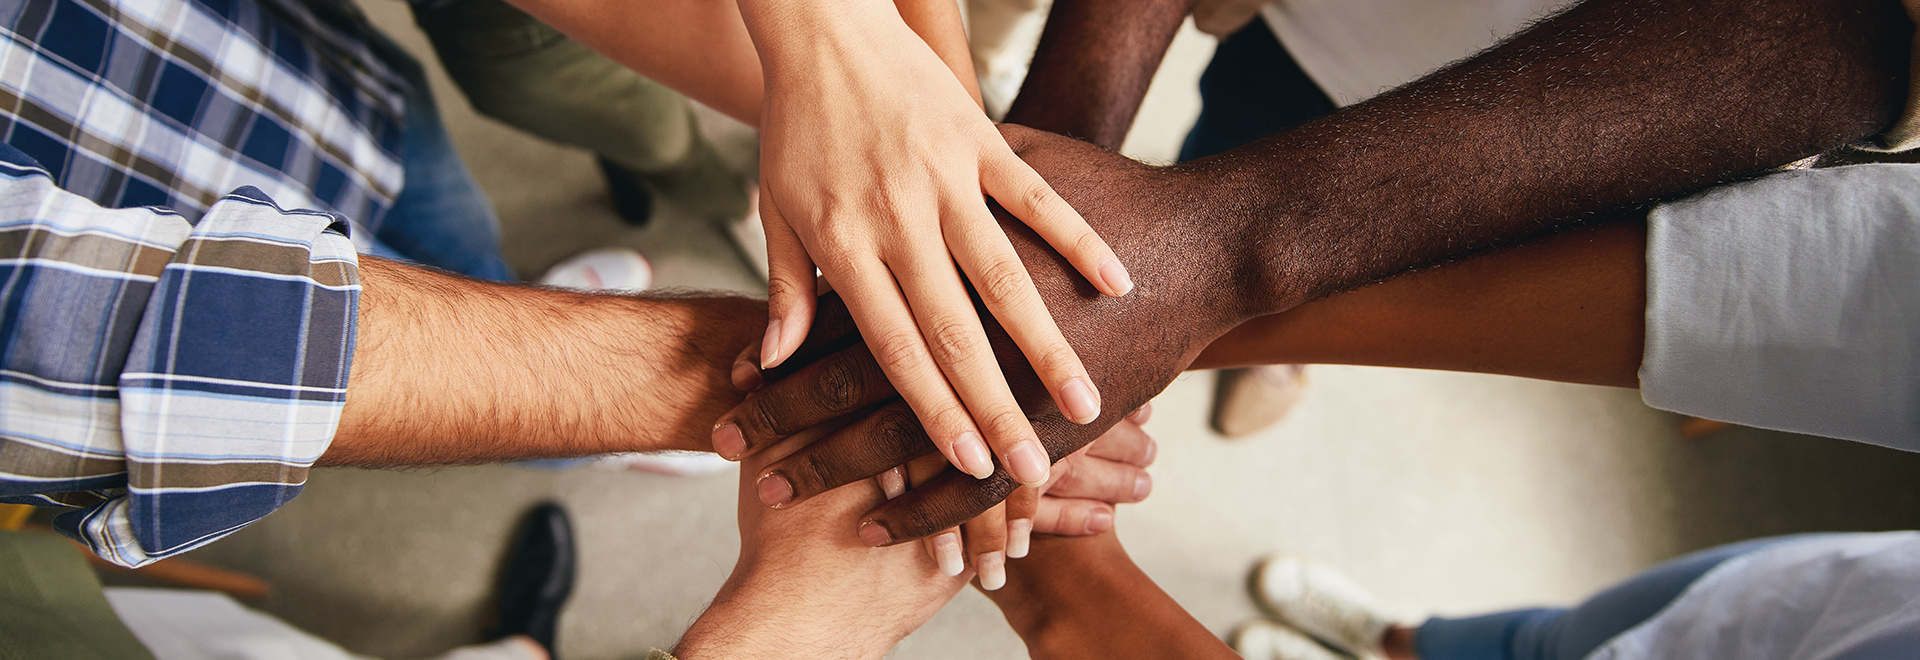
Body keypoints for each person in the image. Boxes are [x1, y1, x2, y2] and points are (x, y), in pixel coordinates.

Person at [712, 0, 1920, 548]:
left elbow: (1868, 30)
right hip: (1313, 31)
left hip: (1625, 129)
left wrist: (1227, 258)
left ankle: (1267, 325)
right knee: (1215, 170)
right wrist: (1067, 160)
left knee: (1287, 249)